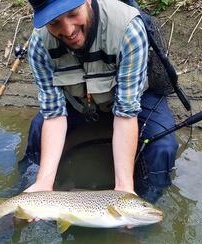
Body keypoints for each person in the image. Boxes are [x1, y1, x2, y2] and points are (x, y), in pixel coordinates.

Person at [18, 0, 178, 203]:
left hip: (133, 100)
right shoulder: (39, 44)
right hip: (79, 102)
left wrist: (124, 189)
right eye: (54, 23)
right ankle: (26, 189)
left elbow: (126, 113)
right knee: (38, 129)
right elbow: (54, 115)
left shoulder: (128, 27)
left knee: (164, 147)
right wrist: (44, 183)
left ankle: (148, 204)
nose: (68, 31)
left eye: (73, 13)